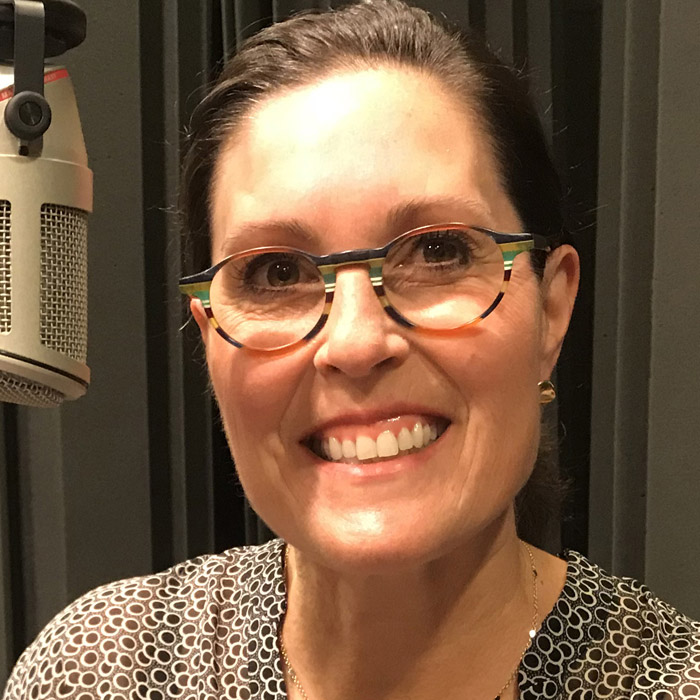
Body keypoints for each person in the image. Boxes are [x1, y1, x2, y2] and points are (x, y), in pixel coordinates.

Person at [4, 2, 700, 699]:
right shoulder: (100, 672)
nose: (356, 342)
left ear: (551, 311)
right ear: (210, 334)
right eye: (276, 273)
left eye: (438, 251)